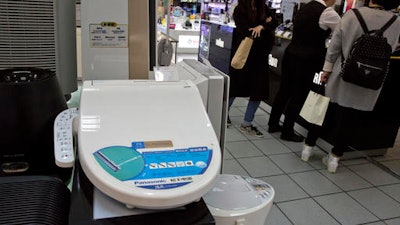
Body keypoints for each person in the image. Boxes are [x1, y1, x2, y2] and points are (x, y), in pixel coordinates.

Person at [301, 0, 400, 173]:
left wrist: (326, 69)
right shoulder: (397, 22)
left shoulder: (353, 15)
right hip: (372, 79)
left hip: (343, 73)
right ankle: (334, 158)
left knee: (325, 111)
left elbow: (335, 46)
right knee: (350, 119)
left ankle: (308, 148)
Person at [267, 0, 340, 142]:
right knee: (299, 95)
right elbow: (343, 31)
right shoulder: (327, 13)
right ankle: (287, 131)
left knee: (284, 90)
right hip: (308, 59)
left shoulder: (305, 7)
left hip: (291, 54)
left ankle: (273, 123)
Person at [227, 0, 278, 138]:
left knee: (258, 90)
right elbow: (247, 31)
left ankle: (247, 123)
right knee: (235, 88)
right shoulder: (240, 9)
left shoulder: (264, 7)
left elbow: (275, 22)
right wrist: (265, 26)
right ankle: (224, 115)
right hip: (244, 55)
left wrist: (261, 26)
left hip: (260, 58)